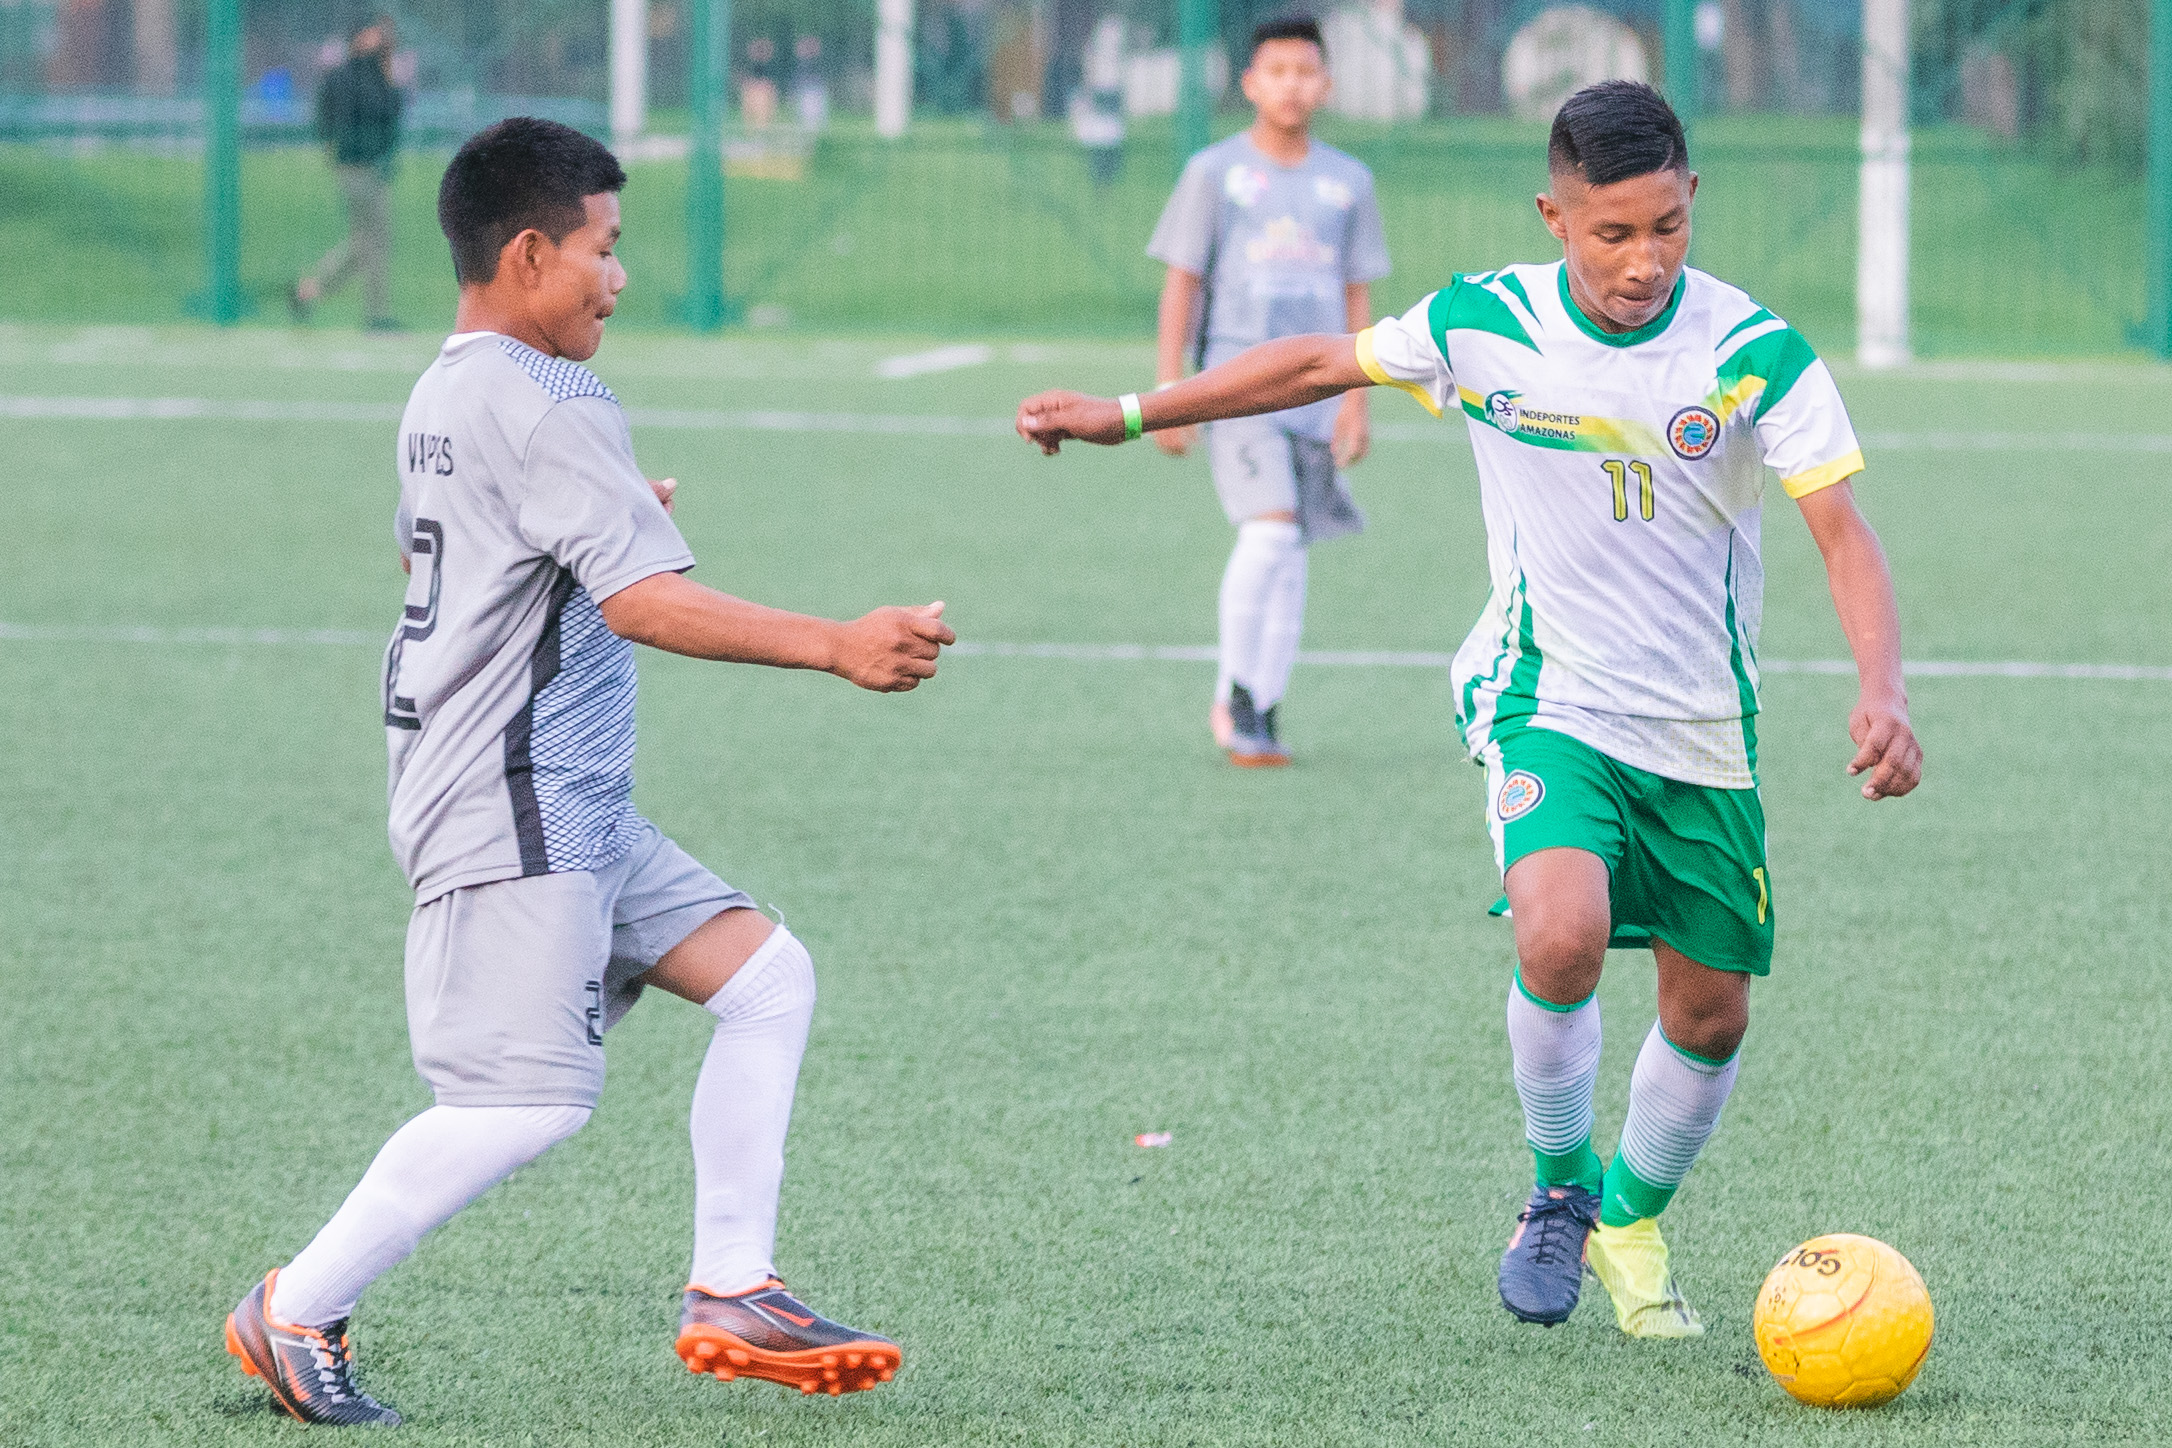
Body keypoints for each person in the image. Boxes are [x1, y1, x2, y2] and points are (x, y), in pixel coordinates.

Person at [1017, 80, 1922, 1337]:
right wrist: (1129, 411)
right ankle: (1558, 1189)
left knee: (1710, 1008)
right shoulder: (1487, 321)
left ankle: (1630, 1217)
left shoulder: (1753, 350)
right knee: (1557, 932)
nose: (1643, 260)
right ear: (1556, 216)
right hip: (1544, 691)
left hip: (1703, 727)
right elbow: (1315, 361)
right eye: (1613, 232)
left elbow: (1843, 528)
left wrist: (1883, 687)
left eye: (1666, 226)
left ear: (1692, 200)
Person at [226, 117, 953, 1426]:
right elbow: (643, 608)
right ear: (525, 253)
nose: (619, 277)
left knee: (768, 981)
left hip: (562, 793)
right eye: (603, 250)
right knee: (522, 1105)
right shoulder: (550, 398)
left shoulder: (449, 384)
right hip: (511, 795)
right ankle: (295, 1308)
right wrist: (838, 645)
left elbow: (447, 557)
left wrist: (605, 512)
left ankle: (735, 1287)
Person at [1144, 13, 1390, 767]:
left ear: (1326, 83)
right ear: (1251, 83)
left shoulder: (1348, 182)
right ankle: (1235, 692)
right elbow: (1182, 283)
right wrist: (1169, 388)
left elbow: (1356, 293)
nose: (1292, 84)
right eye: (1276, 71)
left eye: (1305, 71)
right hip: (1234, 383)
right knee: (1272, 529)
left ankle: (1264, 703)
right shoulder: (1215, 172)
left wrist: (1357, 398)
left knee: (1294, 550)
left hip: (1316, 389)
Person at [293, 19, 405, 331]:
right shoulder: (347, 75)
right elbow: (333, 117)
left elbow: (393, 113)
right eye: (373, 32)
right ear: (358, 36)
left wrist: (390, 75)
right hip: (354, 166)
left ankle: (308, 291)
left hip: (377, 167)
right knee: (373, 242)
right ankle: (376, 315)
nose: (380, 38)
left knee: (365, 243)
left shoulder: (382, 74)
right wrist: (334, 147)